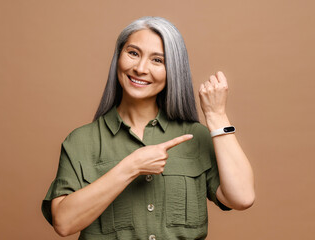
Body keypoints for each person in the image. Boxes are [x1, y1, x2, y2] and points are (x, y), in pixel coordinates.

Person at [41, 16, 255, 240]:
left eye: (158, 60)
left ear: (173, 69)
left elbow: (242, 198)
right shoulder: (81, 141)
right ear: (118, 57)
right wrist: (131, 167)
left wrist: (217, 116)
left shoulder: (195, 136)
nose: (140, 68)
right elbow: (64, 223)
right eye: (133, 53)